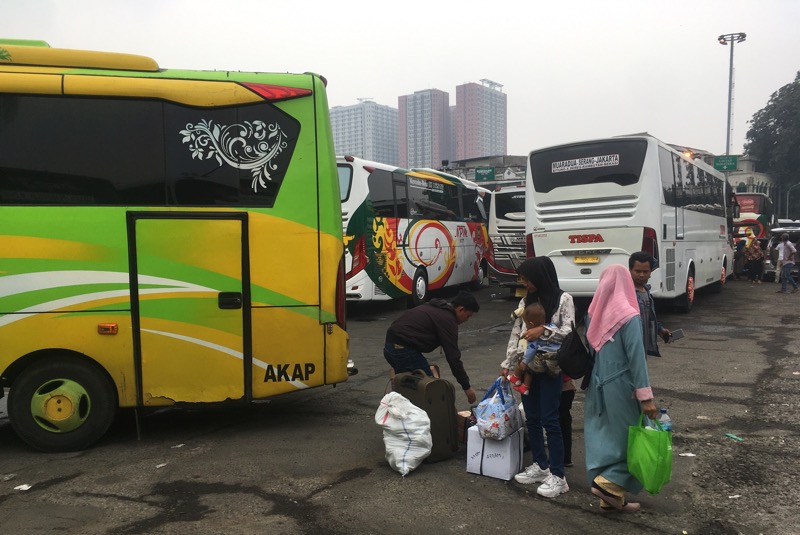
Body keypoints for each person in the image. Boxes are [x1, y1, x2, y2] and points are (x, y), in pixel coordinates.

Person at [584, 264, 659, 513]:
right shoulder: (628, 315)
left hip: (598, 385)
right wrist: (645, 396)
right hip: (622, 386)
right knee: (634, 439)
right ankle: (608, 484)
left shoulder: (594, 313)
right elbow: (636, 359)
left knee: (606, 438)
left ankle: (612, 500)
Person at [500, 257, 574, 498]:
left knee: (550, 419)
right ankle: (541, 466)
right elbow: (516, 334)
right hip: (528, 366)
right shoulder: (525, 300)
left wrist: (544, 330)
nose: (526, 283)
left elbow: (569, 332)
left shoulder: (564, 299)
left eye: (529, 279)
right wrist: (508, 363)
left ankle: (558, 475)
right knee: (531, 417)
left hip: (551, 368)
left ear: (541, 277)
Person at [383, 291, 478, 404]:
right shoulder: (448, 320)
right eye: (467, 316)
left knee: (408, 387)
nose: (466, 320)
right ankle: (431, 418)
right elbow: (453, 357)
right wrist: (466, 387)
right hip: (403, 348)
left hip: (390, 346)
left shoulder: (437, 307)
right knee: (430, 388)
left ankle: (404, 412)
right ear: (461, 309)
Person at [507, 302, 562, 395]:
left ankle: (518, 379)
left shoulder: (534, 335)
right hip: (555, 360)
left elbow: (531, 349)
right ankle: (524, 386)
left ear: (531, 324)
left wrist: (524, 362)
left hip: (541, 362)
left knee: (528, 366)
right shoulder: (552, 327)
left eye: (526, 324)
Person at [629, 251, 671, 357]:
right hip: (632, 346)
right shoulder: (627, 293)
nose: (641, 275)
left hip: (644, 346)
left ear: (650, 272)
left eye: (645, 271)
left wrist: (659, 330)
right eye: (637, 271)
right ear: (630, 270)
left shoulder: (647, 291)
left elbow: (648, 317)